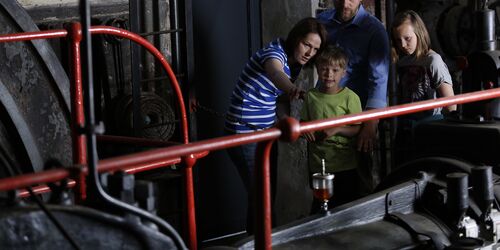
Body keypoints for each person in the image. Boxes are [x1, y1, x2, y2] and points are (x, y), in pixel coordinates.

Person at [225, 17, 327, 234]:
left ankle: (257, 242)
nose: (310, 52)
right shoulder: (275, 53)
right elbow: (275, 72)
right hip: (244, 132)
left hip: (265, 132)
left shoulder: (295, 64)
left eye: (315, 49)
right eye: (306, 44)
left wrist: (288, 123)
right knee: (262, 197)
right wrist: (292, 89)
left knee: (265, 196)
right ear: (295, 39)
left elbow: (279, 101)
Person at [316, 0, 390, 193]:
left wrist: (370, 124)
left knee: (357, 184)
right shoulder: (322, 22)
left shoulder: (374, 31)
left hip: (355, 119)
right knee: (323, 179)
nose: (344, 3)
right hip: (324, 113)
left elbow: (379, 81)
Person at [391, 10, 456, 164]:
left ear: (419, 33)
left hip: (431, 127)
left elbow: (450, 104)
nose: (403, 45)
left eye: (407, 39)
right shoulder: (401, 61)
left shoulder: (433, 61)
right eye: (398, 40)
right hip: (406, 128)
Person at [300, 45, 362, 209]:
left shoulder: (351, 97)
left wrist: (337, 128)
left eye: (335, 70)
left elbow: (357, 129)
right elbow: (302, 124)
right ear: (317, 70)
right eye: (324, 69)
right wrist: (305, 129)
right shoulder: (311, 96)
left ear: (344, 72)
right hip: (318, 165)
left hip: (345, 165)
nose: (329, 74)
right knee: (321, 207)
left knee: (346, 208)